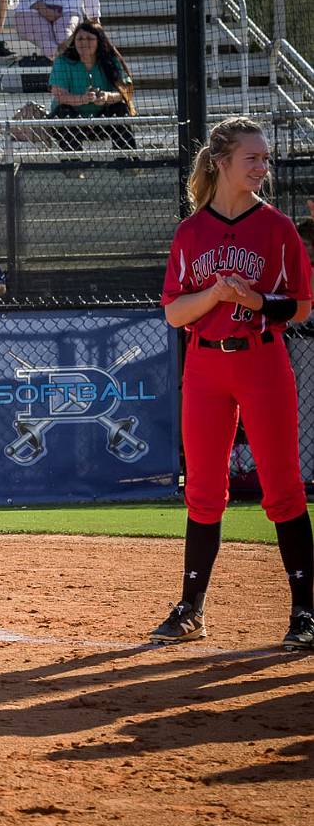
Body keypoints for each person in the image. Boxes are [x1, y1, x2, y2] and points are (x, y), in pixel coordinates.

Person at [152, 117, 314, 651]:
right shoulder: (191, 232)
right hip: (204, 367)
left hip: (262, 361)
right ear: (222, 163)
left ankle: (304, 612)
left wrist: (256, 302)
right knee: (201, 490)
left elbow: (303, 305)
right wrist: (218, 295)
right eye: (253, 158)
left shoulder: (278, 228)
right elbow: (176, 313)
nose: (263, 167)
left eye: (265, 159)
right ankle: (190, 608)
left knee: (283, 488)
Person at [46, 18, 135, 153]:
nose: (84, 43)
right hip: (70, 124)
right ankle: (74, 166)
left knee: (120, 109)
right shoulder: (62, 62)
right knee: (64, 112)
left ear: (99, 41)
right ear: (74, 41)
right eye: (80, 39)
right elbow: (60, 96)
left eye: (89, 38)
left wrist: (107, 97)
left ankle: (128, 162)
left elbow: (126, 91)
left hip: (103, 122)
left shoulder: (111, 61)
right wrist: (83, 99)